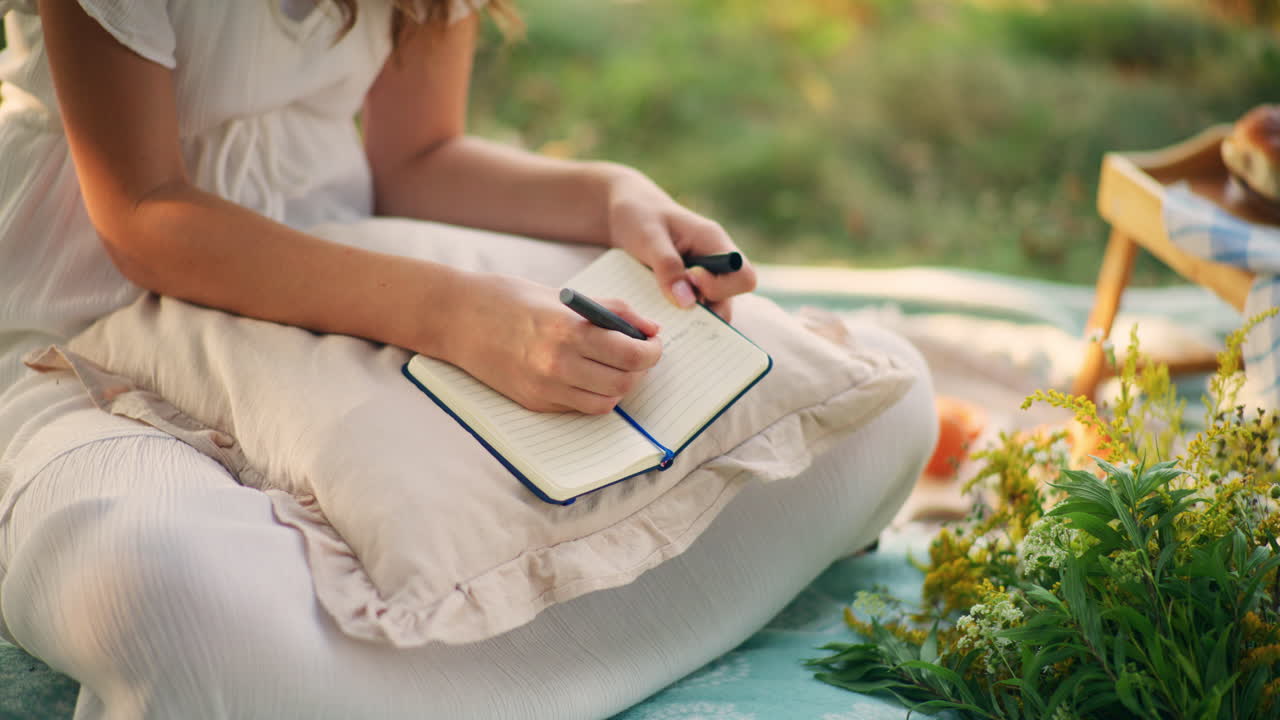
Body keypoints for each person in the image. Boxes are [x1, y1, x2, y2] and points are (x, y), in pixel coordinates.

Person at [0, 1, 937, 717]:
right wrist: (463, 320)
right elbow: (143, 217)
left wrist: (614, 197)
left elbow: (420, 154)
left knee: (883, 405)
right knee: (159, 589)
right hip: (91, 341)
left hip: (365, 276)